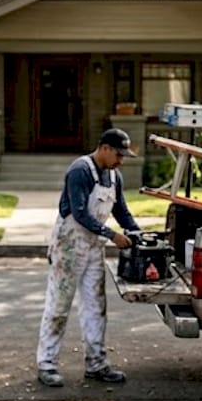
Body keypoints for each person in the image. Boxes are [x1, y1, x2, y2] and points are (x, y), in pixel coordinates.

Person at [36, 127, 142, 387]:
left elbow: (122, 211)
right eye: (118, 155)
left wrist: (137, 233)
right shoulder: (80, 170)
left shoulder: (114, 176)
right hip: (69, 246)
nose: (120, 161)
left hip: (94, 247)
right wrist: (112, 234)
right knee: (59, 306)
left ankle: (96, 363)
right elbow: (80, 213)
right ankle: (46, 364)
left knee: (96, 306)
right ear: (104, 148)